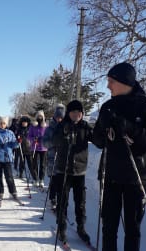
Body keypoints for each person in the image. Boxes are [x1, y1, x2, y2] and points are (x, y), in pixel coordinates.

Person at [92, 62, 146, 251]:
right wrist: (102, 126)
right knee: (109, 227)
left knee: (132, 229)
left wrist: (131, 128)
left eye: (111, 81)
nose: (108, 86)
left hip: (136, 176)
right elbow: (98, 141)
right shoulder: (107, 106)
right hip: (111, 175)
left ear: (123, 82)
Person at [53, 100, 95, 245]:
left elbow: (98, 140)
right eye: (73, 112)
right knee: (62, 201)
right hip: (63, 170)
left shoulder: (85, 127)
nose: (76, 115)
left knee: (80, 203)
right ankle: (62, 228)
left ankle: (81, 228)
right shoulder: (62, 125)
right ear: (69, 113)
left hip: (79, 171)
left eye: (79, 112)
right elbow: (54, 141)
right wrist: (63, 135)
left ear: (82, 114)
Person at [42, 103, 65, 210]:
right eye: (57, 117)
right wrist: (53, 143)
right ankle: (52, 198)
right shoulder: (49, 128)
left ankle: (60, 200)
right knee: (53, 180)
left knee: (60, 181)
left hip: (62, 158)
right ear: (55, 117)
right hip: (52, 157)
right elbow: (44, 142)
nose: (59, 119)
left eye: (61, 117)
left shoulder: (66, 127)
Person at [0, 116, 19, 201]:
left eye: (4, 123)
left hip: (7, 158)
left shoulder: (10, 133)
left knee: (9, 177)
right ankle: (0, 192)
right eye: (1, 123)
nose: (2, 125)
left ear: (6, 124)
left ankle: (13, 192)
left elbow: (14, 145)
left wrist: (17, 142)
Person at [28, 110, 47, 187]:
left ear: (43, 117)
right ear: (36, 117)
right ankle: (35, 179)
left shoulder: (46, 126)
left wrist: (44, 138)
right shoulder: (33, 126)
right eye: (38, 116)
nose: (40, 118)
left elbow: (48, 136)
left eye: (41, 116)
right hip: (34, 147)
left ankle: (41, 179)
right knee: (34, 164)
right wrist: (33, 139)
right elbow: (29, 136)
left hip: (43, 148)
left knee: (42, 164)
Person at [15, 115, 38, 182]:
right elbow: (16, 137)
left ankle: (34, 176)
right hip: (21, 148)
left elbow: (34, 136)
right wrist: (18, 139)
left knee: (31, 163)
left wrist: (35, 139)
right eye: (23, 122)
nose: (24, 123)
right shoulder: (19, 129)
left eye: (25, 122)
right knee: (22, 162)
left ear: (28, 122)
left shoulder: (30, 129)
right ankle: (20, 174)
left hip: (29, 149)